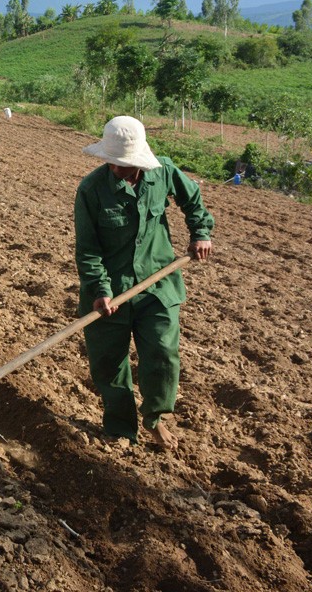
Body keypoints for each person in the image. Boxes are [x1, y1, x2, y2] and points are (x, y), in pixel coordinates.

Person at [74, 116, 213, 450]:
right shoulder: (91, 190)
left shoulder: (162, 171)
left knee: (162, 354)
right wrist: (102, 290)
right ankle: (121, 429)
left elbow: (192, 199)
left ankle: (154, 419)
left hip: (158, 285)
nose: (118, 169)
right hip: (110, 290)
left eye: (125, 163)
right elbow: (88, 250)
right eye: (113, 162)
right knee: (109, 362)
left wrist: (201, 232)